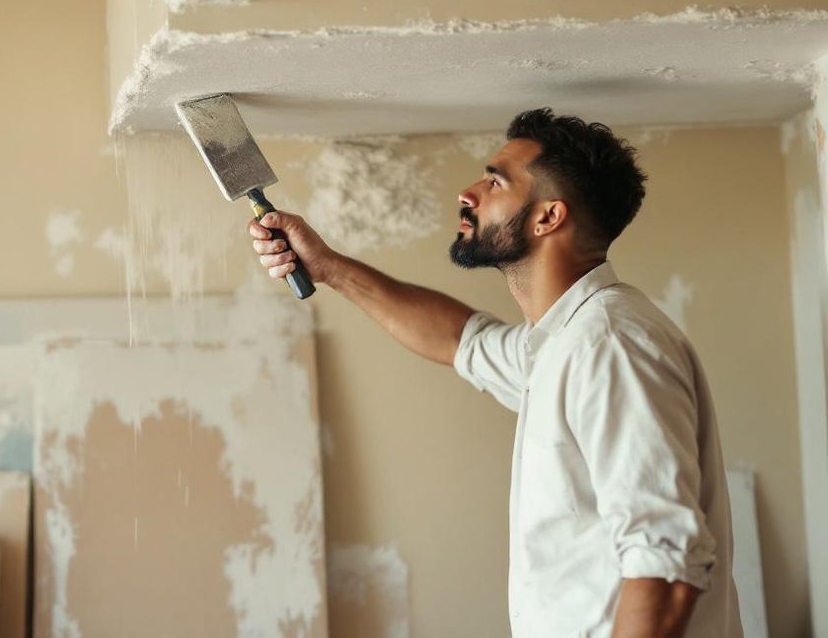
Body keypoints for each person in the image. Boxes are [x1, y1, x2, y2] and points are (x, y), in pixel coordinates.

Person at [249, 108, 743, 638]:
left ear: (547, 217)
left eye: (494, 181)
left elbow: (665, 564)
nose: (468, 192)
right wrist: (327, 267)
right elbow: (462, 339)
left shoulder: (609, 344)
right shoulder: (557, 344)